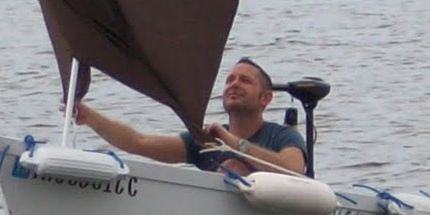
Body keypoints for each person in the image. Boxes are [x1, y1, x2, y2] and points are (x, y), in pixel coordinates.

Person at [73, 57, 306, 176]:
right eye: (229, 80)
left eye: (245, 80)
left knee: (233, 166)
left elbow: (293, 169)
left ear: (265, 98)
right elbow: (138, 142)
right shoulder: (204, 142)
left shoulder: (283, 136)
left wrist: (231, 142)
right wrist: (90, 117)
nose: (234, 84)